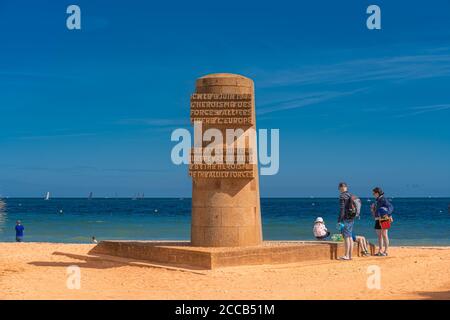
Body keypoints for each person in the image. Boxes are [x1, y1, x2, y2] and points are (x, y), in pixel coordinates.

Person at [371, 187, 394, 256]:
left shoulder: (383, 199)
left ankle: (386, 251)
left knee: (384, 235)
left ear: (377, 193)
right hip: (377, 219)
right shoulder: (377, 200)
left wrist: (388, 215)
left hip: (384, 218)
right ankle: (380, 250)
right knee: (379, 235)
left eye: (374, 193)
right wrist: (373, 210)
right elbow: (376, 211)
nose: (373, 194)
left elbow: (391, 207)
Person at [337, 182, 355, 260]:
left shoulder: (342, 196)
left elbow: (342, 209)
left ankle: (346, 255)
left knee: (346, 237)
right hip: (352, 217)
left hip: (345, 218)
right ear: (346, 187)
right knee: (350, 236)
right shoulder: (350, 195)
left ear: (340, 188)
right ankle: (350, 255)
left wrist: (339, 220)